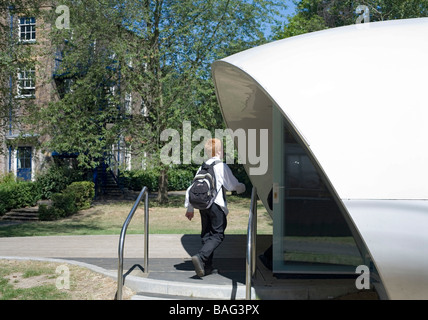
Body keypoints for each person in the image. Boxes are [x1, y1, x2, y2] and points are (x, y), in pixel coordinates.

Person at [185, 138, 246, 277]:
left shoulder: (202, 167)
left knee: (207, 235)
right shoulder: (221, 166)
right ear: (218, 151)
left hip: (203, 205)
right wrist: (243, 187)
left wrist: (189, 208)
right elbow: (232, 185)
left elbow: (192, 188)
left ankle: (207, 267)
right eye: (222, 149)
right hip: (216, 205)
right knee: (217, 235)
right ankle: (200, 257)